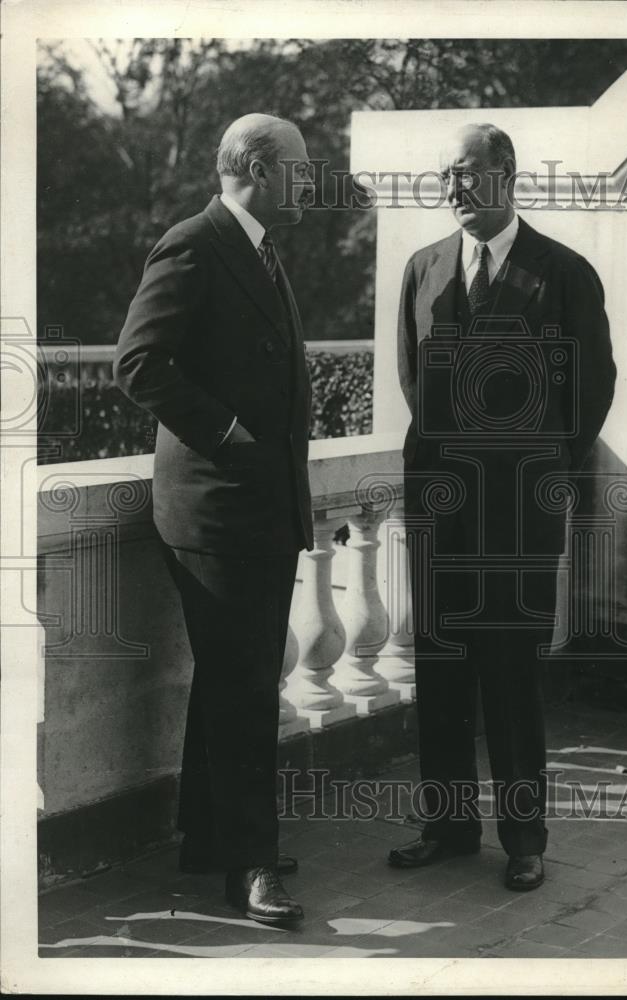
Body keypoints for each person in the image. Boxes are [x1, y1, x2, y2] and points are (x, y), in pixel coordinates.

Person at [389, 123, 616, 890]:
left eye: (462, 174)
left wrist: (535, 468)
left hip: (518, 516)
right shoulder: (421, 269)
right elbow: (412, 380)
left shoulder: (563, 273)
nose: (450, 189)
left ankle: (525, 838)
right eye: (443, 177)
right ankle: (447, 826)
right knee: (441, 670)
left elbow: (590, 391)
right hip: (438, 512)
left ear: (505, 173)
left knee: (511, 678)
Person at [114, 113, 315, 924]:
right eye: (301, 168)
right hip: (219, 511)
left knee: (237, 680)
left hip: (259, 506)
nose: (311, 181)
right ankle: (251, 864)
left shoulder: (261, 249)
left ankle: (211, 838)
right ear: (260, 170)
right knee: (244, 688)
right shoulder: (195, 241)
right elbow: (137, 362)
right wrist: (227, 432)